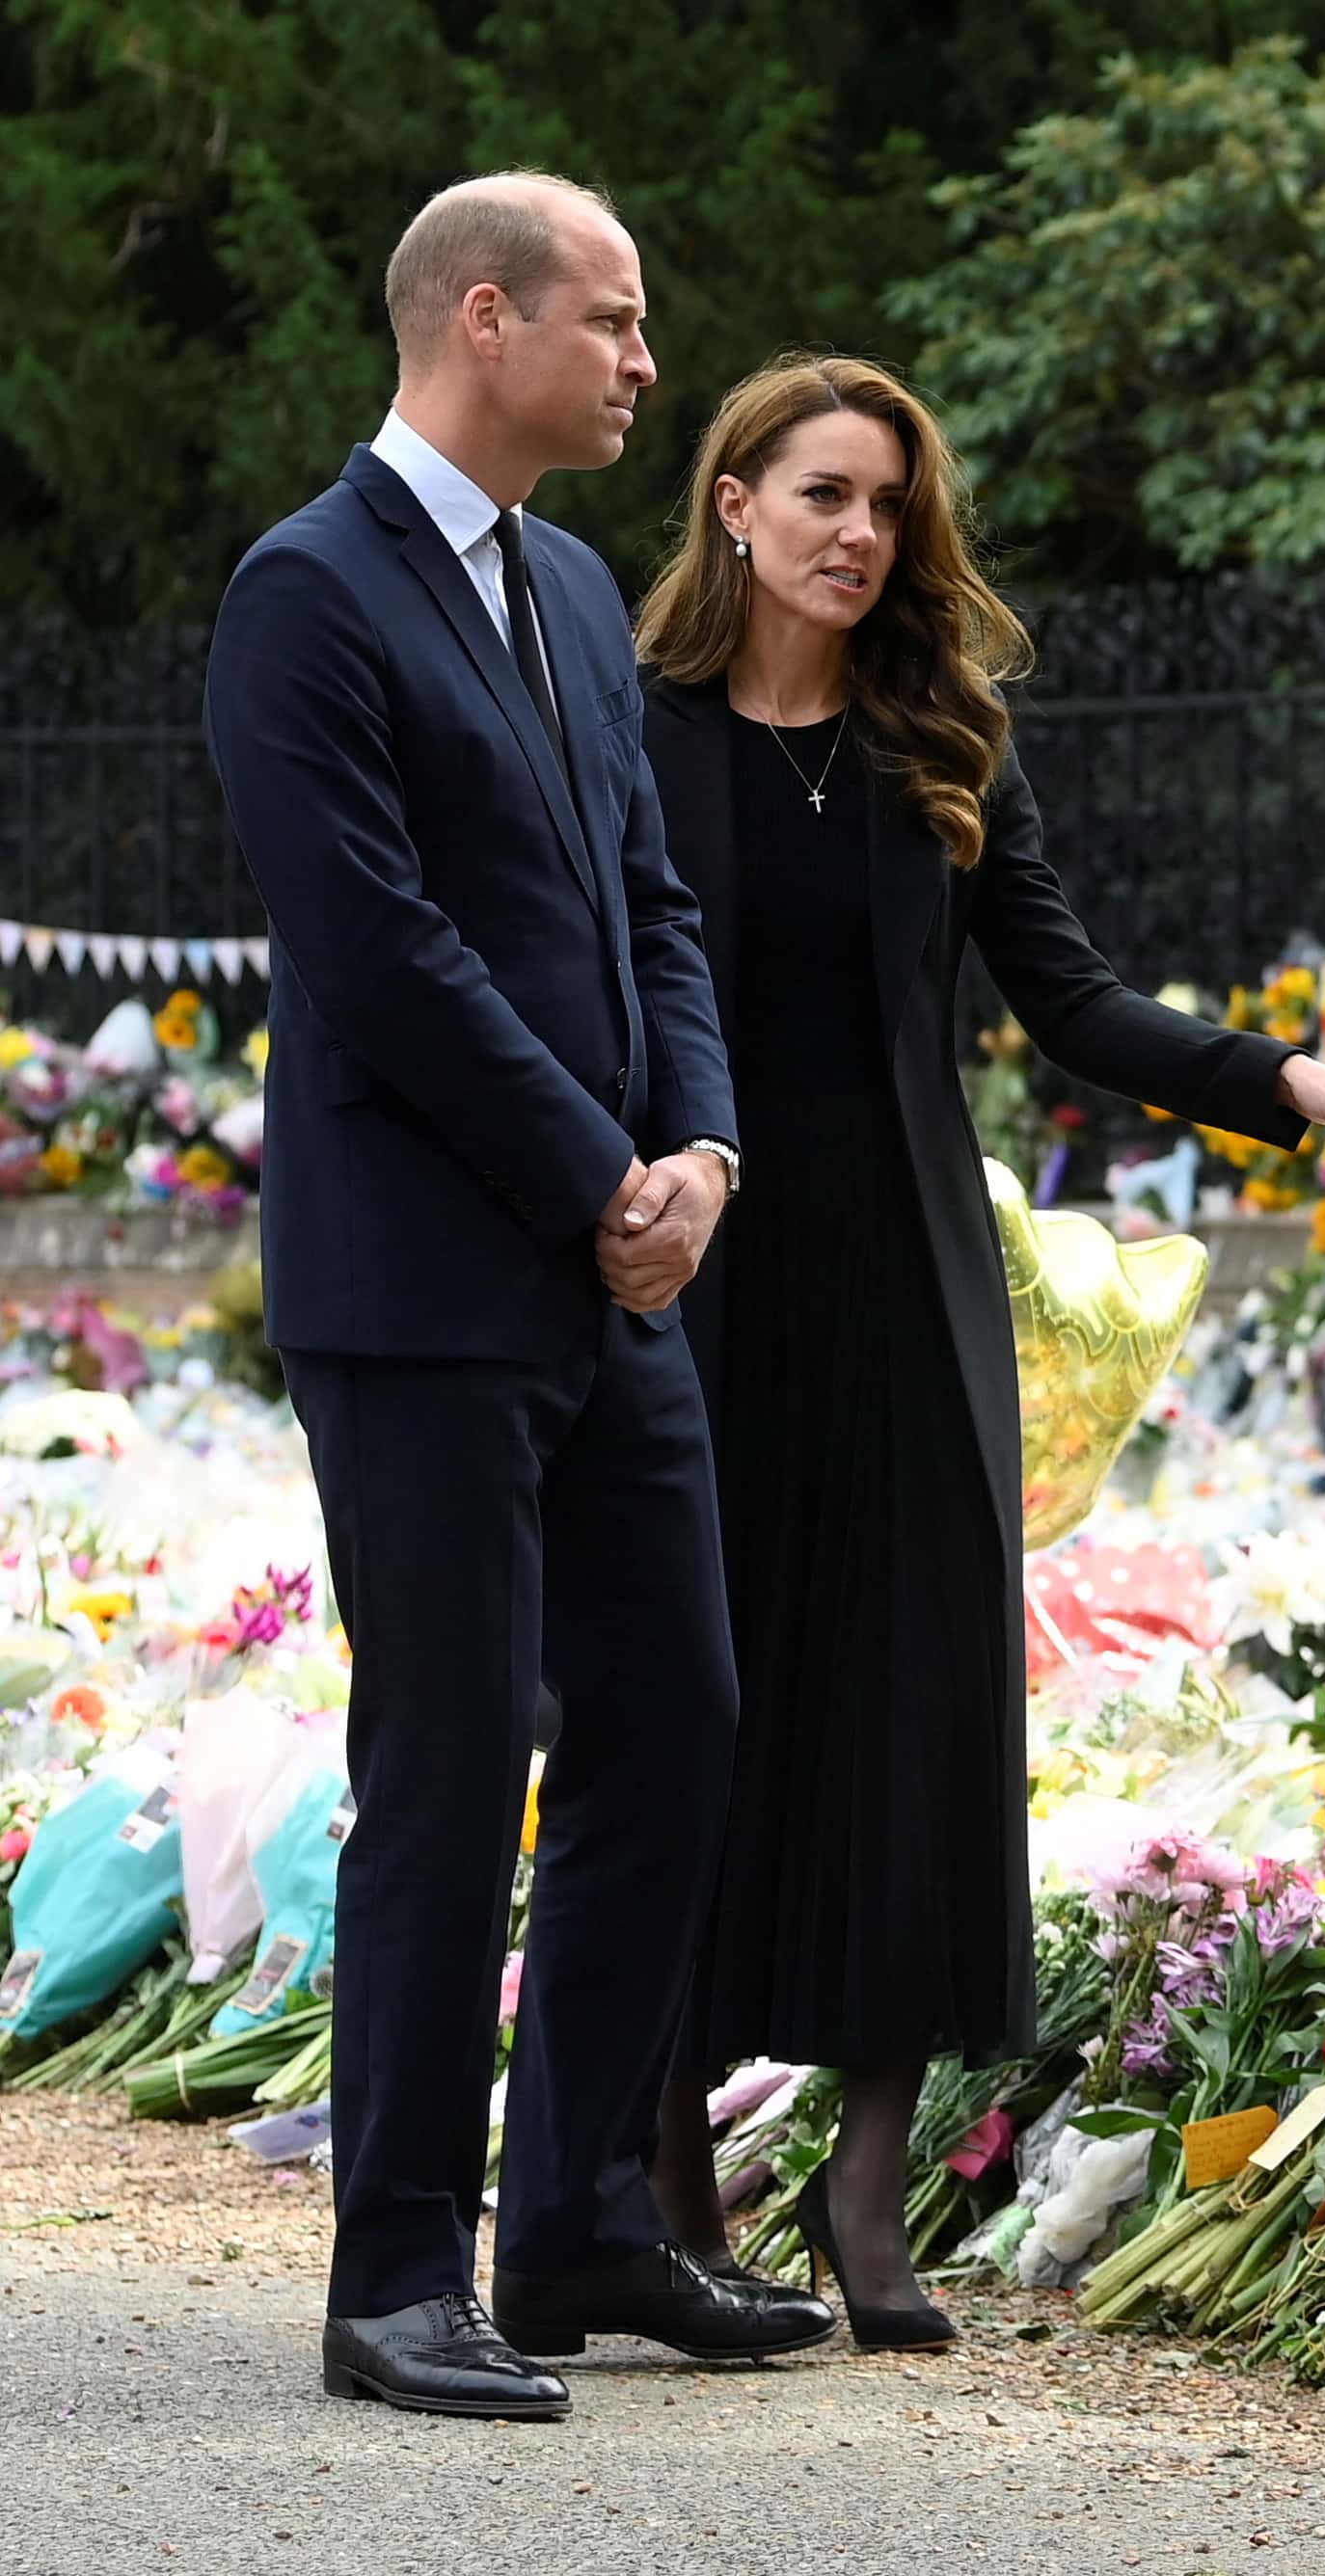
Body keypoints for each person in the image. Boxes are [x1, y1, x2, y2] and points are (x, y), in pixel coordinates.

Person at [630, 357, 1325, 2348]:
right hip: (698, 1286)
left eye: (891, 507)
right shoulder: (632, 733)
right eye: (825, 493)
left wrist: (1281, 1082)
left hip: (912, 1291)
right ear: (733, 503)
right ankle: (662, 2180)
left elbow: (1074, 1002)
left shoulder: (947, 741)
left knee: (915, 1716)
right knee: (697, 1709)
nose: (861, 533)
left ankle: (861, 2180)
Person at [203, 174, 835, 2418]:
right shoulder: (305, 596)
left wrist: (704, 1158)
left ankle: (574, 2224)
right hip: (428, 1290)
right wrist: (600, 1180)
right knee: (453, 1764)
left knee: (677, 1725)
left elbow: (654, 907)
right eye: (618, 321)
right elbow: (384, 958)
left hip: (617, 1277)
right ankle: (396, 2275)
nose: (647, 364)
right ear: (487, 318)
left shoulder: (570, 583)